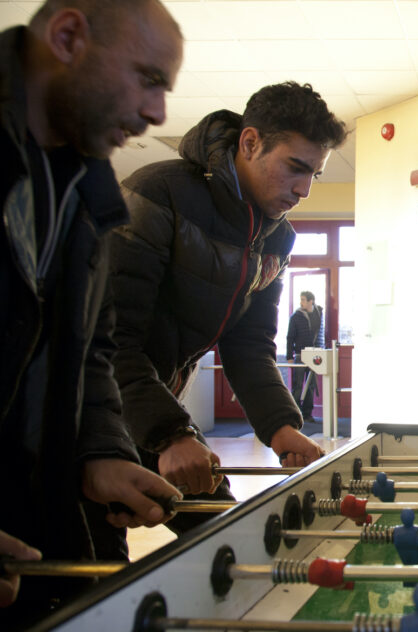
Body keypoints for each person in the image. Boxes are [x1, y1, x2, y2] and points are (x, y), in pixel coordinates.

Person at [0, 0, 183, 623]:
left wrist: (101, 449)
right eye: (149, 79)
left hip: (35, 522)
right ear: (69, 35)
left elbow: (92, 347)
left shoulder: (91, 190)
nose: (159, 111)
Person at [107, 82, 347, 537]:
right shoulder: (158, 193)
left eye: (313, 174)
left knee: (225, 537)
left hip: (150, 403)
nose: (303, 191)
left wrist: (279, 427)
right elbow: (108, 342)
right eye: (294, 168)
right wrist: (171, 435)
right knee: (85, 583)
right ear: (250, 143)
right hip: (82, 411)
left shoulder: (277, 237)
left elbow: (250, 344)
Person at [286, 290, 323, 421]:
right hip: (300, 354)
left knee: (311, 385)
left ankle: (307, 414)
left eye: (303, 299)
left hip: (314, 354)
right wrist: (289, 356)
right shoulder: (295, 316)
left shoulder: (319, 314)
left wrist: (321, 351)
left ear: (310, 301)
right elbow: (290, 337)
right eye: (301, 299)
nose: (300, 302)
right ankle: (295, 414)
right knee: (297, 385)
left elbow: (320, 334)